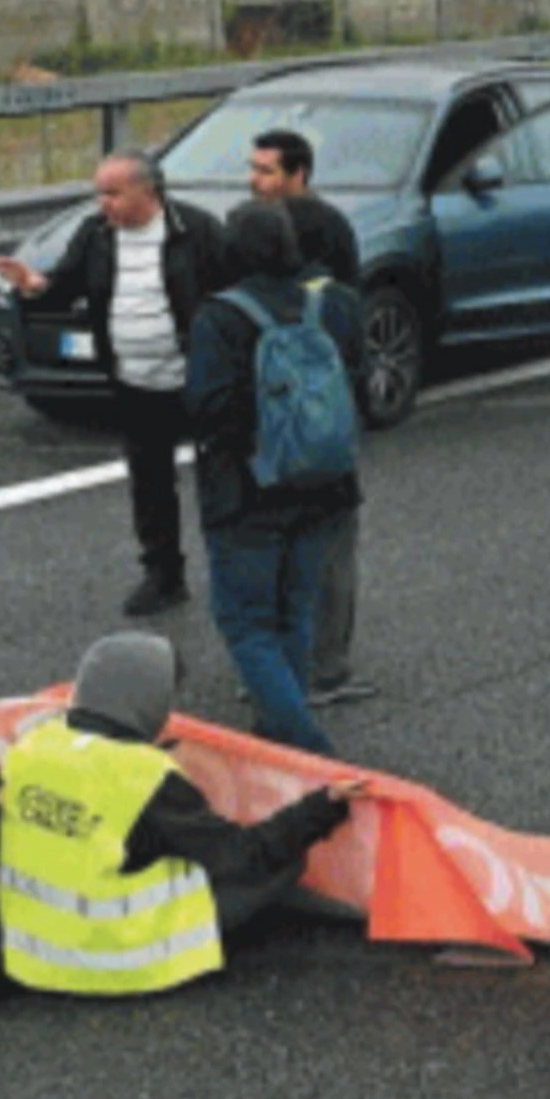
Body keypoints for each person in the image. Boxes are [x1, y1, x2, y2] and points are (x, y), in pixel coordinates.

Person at [0, 631, 363, 1011]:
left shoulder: (34, 748)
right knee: (266, 864)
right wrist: (321, 807)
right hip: (111, 961)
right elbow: (243, 856)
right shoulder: (145, 778)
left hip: (26, 955)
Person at [0, 152, 226, 617]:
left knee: (221, 478)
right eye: (99, 193)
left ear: (149, 192)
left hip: (197, 379)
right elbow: (65, 286)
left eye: (114, 193)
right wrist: (34, 284)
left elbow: (229, 292)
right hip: (134, 381)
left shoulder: (197, 231)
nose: (104, 204)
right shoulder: (96, 236)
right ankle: (163, 575)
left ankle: (234, 572)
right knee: (150, 482)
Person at [186, 202, 367, 756]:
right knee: (296, 608)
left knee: (246, 623)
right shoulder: (336, 303)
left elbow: (209, 407)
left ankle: (308, 746)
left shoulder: (219, 317)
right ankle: (280, 730)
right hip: (327, 484)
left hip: (248, 492)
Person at [247, 129, 374, 707]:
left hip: (270, 439)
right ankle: (326, 671)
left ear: (298, 174)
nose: (256, 181)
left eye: (267, 171)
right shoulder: (333, 289)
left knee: (280, 550)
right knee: (325, 552)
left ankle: (279, 668)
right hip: (321, 437)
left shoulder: (250, 289)